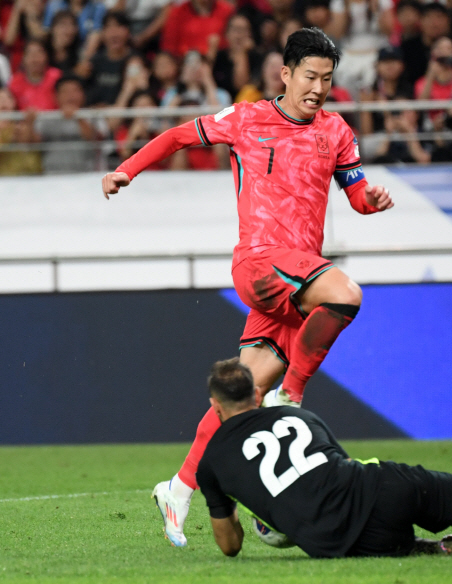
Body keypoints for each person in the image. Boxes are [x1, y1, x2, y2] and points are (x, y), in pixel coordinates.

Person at [101, 27, 394, 547]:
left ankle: (179, 487)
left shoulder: (337, 131)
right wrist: (126, 169)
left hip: (299, 275)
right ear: (285, 74)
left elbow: (356, 197)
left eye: (327, 79)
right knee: (345, 294)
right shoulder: (247, 118)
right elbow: (175, 137)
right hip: (262, 264)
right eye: (310, 76)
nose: (318, 88)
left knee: (244, 394)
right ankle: (294, 396)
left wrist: (372, 198)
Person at [175, 357, 452, 558]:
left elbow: (229, 547)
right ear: (256, 394)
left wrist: (260, 518)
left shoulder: (212, 462)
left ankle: (428, 551)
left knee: (402, 549)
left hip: (339, 542)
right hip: (387, 489)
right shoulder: (294, 414)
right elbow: (338, 465)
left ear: (214, 406)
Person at [34, 74, 101, 173]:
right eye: (65, 91)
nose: (70, 95)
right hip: (51, 175)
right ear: (55, 96)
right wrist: (29, 123)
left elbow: (97, 141)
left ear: (83, 94)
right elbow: (34, 144)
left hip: (86, 176)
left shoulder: (93, 115)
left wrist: (78, 117)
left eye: (75, 91)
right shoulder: (47, 118)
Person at [84, 11, 133, 107]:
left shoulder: (135, 60)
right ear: (102, 33)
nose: (114, 33)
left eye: (119, 26)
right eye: (108, 27)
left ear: (128, 31)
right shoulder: (94, 62)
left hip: (122, 117)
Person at [159, 0, 234, 59]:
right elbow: (169, 46)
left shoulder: (226, 10)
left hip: (219, 62)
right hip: (184, 64)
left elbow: (232, 41)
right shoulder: (178, 12)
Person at [8, 39, 62, 111]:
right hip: (25, 121)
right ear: (23, 59)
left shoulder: (57, 76)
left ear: (46, 57)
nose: (35, 58)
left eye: (39, 53)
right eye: (30, 54)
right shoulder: (15, 82)